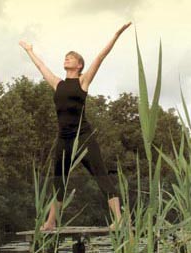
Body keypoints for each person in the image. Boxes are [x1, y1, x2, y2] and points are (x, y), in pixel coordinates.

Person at [19, 22, 132, 231]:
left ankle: (120, 218)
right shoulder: (57, 83)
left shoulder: (83, 81)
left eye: (70, 57)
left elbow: (100, 57)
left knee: (101, 175)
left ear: (79, 65)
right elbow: (41, 67)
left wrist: (116, 35)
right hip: (64, 139)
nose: (66, 58)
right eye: (65, 57)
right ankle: (51, 222)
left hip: (84, 137)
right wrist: (29, 51)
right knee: (58, 181)